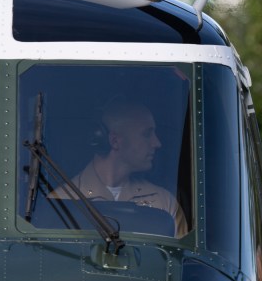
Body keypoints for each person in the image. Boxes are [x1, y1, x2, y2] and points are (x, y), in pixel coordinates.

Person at [55, 99, 186, 235]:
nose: (157, 143)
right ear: (115, 141)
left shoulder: (165, 203)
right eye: (147, 134)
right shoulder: (60, 202)